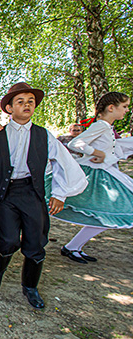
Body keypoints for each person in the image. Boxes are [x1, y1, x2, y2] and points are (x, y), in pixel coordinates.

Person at [0, 82, 87, 309]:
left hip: (32, 192)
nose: (26, 105)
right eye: (20, 102)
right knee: (9, 239)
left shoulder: (43, 135)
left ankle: (30, 287)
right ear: (9, 108)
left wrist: (60, 193)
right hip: (4, 194)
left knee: (36, 242)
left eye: (30, 102)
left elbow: (64, 163)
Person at [51, 92, 133, 263]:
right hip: (94, 177)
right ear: (111, 108)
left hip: (103, 175)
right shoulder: (101, 125)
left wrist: (104, 155)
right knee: (105, 215)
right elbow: (76, 143)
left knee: (103, 216)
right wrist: (97, 153)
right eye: (124, 106)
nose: (127, 110)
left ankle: (73, 247)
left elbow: (116, 149)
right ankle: (72, 246)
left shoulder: (107, 127)